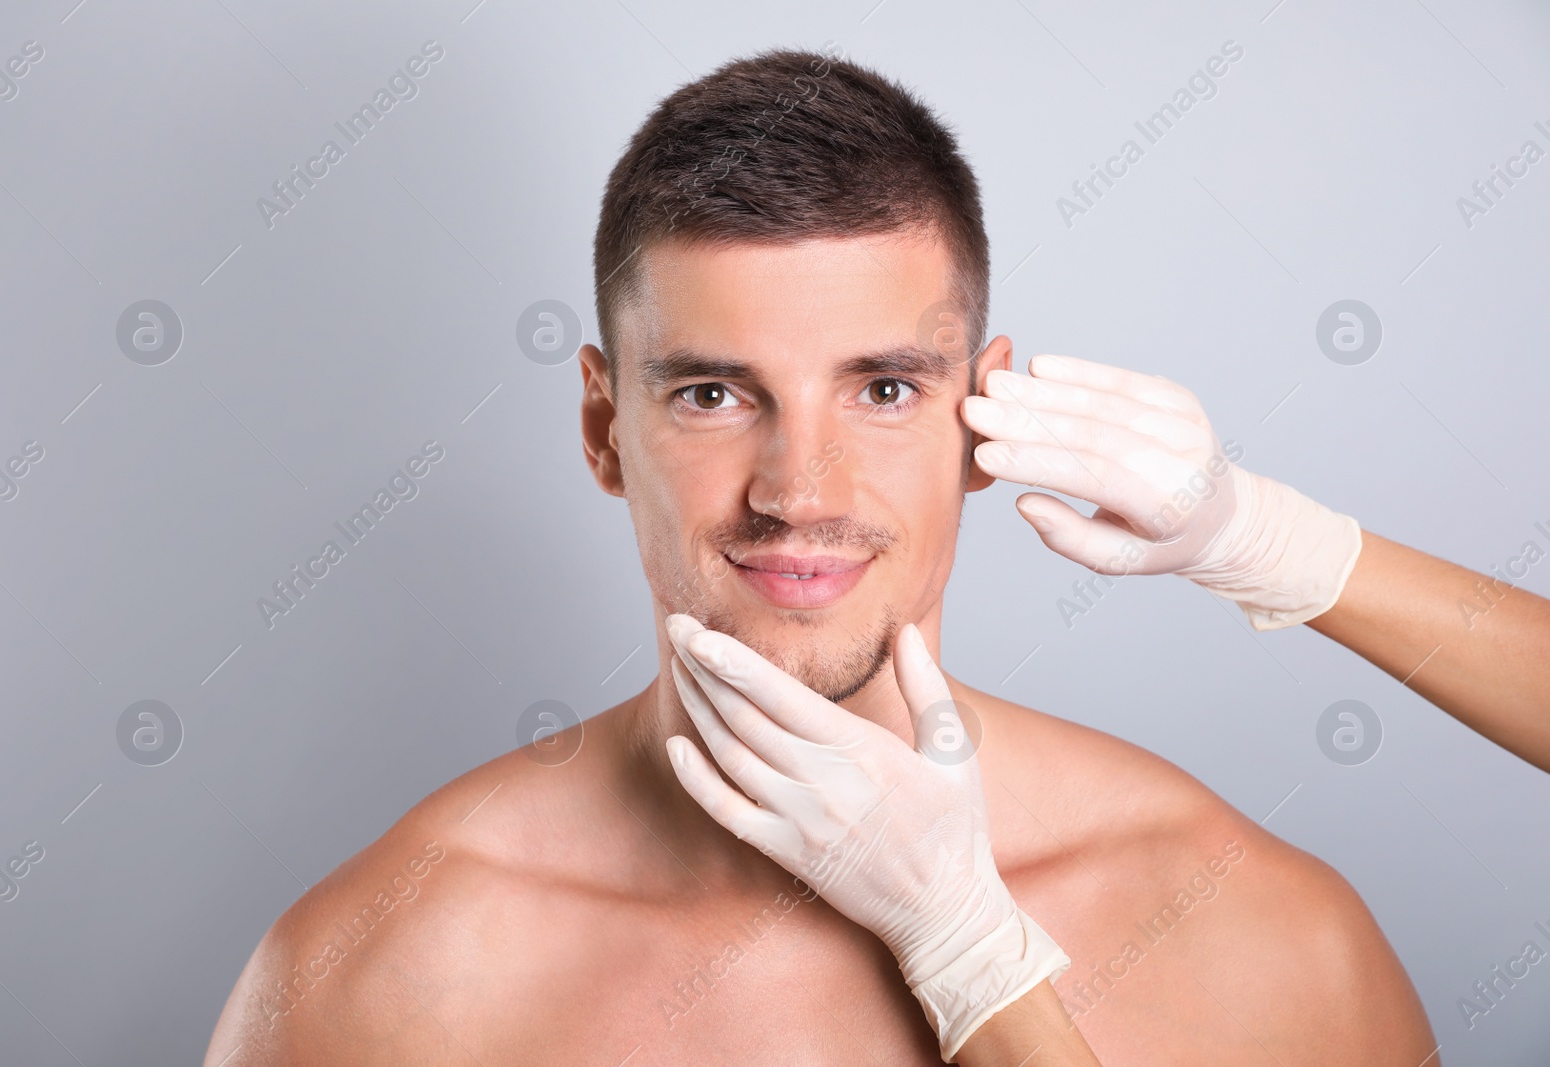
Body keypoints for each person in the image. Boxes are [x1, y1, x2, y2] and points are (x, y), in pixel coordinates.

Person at [203, 48, 1442, 1065]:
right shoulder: (376, 975)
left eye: (885, 388)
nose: (798, 491)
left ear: (982, 418)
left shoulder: (1259, 936)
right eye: (710, 394)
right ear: (603, 429)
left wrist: (971, 955)